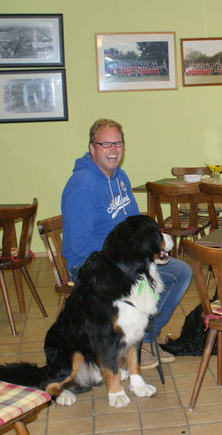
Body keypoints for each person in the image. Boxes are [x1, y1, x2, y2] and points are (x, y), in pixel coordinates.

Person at [61, 118, 191, 369]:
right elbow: (80, 245)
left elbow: (134, 224)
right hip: (89, 264)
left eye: (118, 143)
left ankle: (145, 338)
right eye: (105, 144)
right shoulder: (82, 185)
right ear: (92, 148)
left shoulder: (120, 177)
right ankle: (126, 344)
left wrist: (152, 242)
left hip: (123, 258)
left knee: (181, 272)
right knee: (140, 284)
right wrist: (128, 252)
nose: (113, 149)